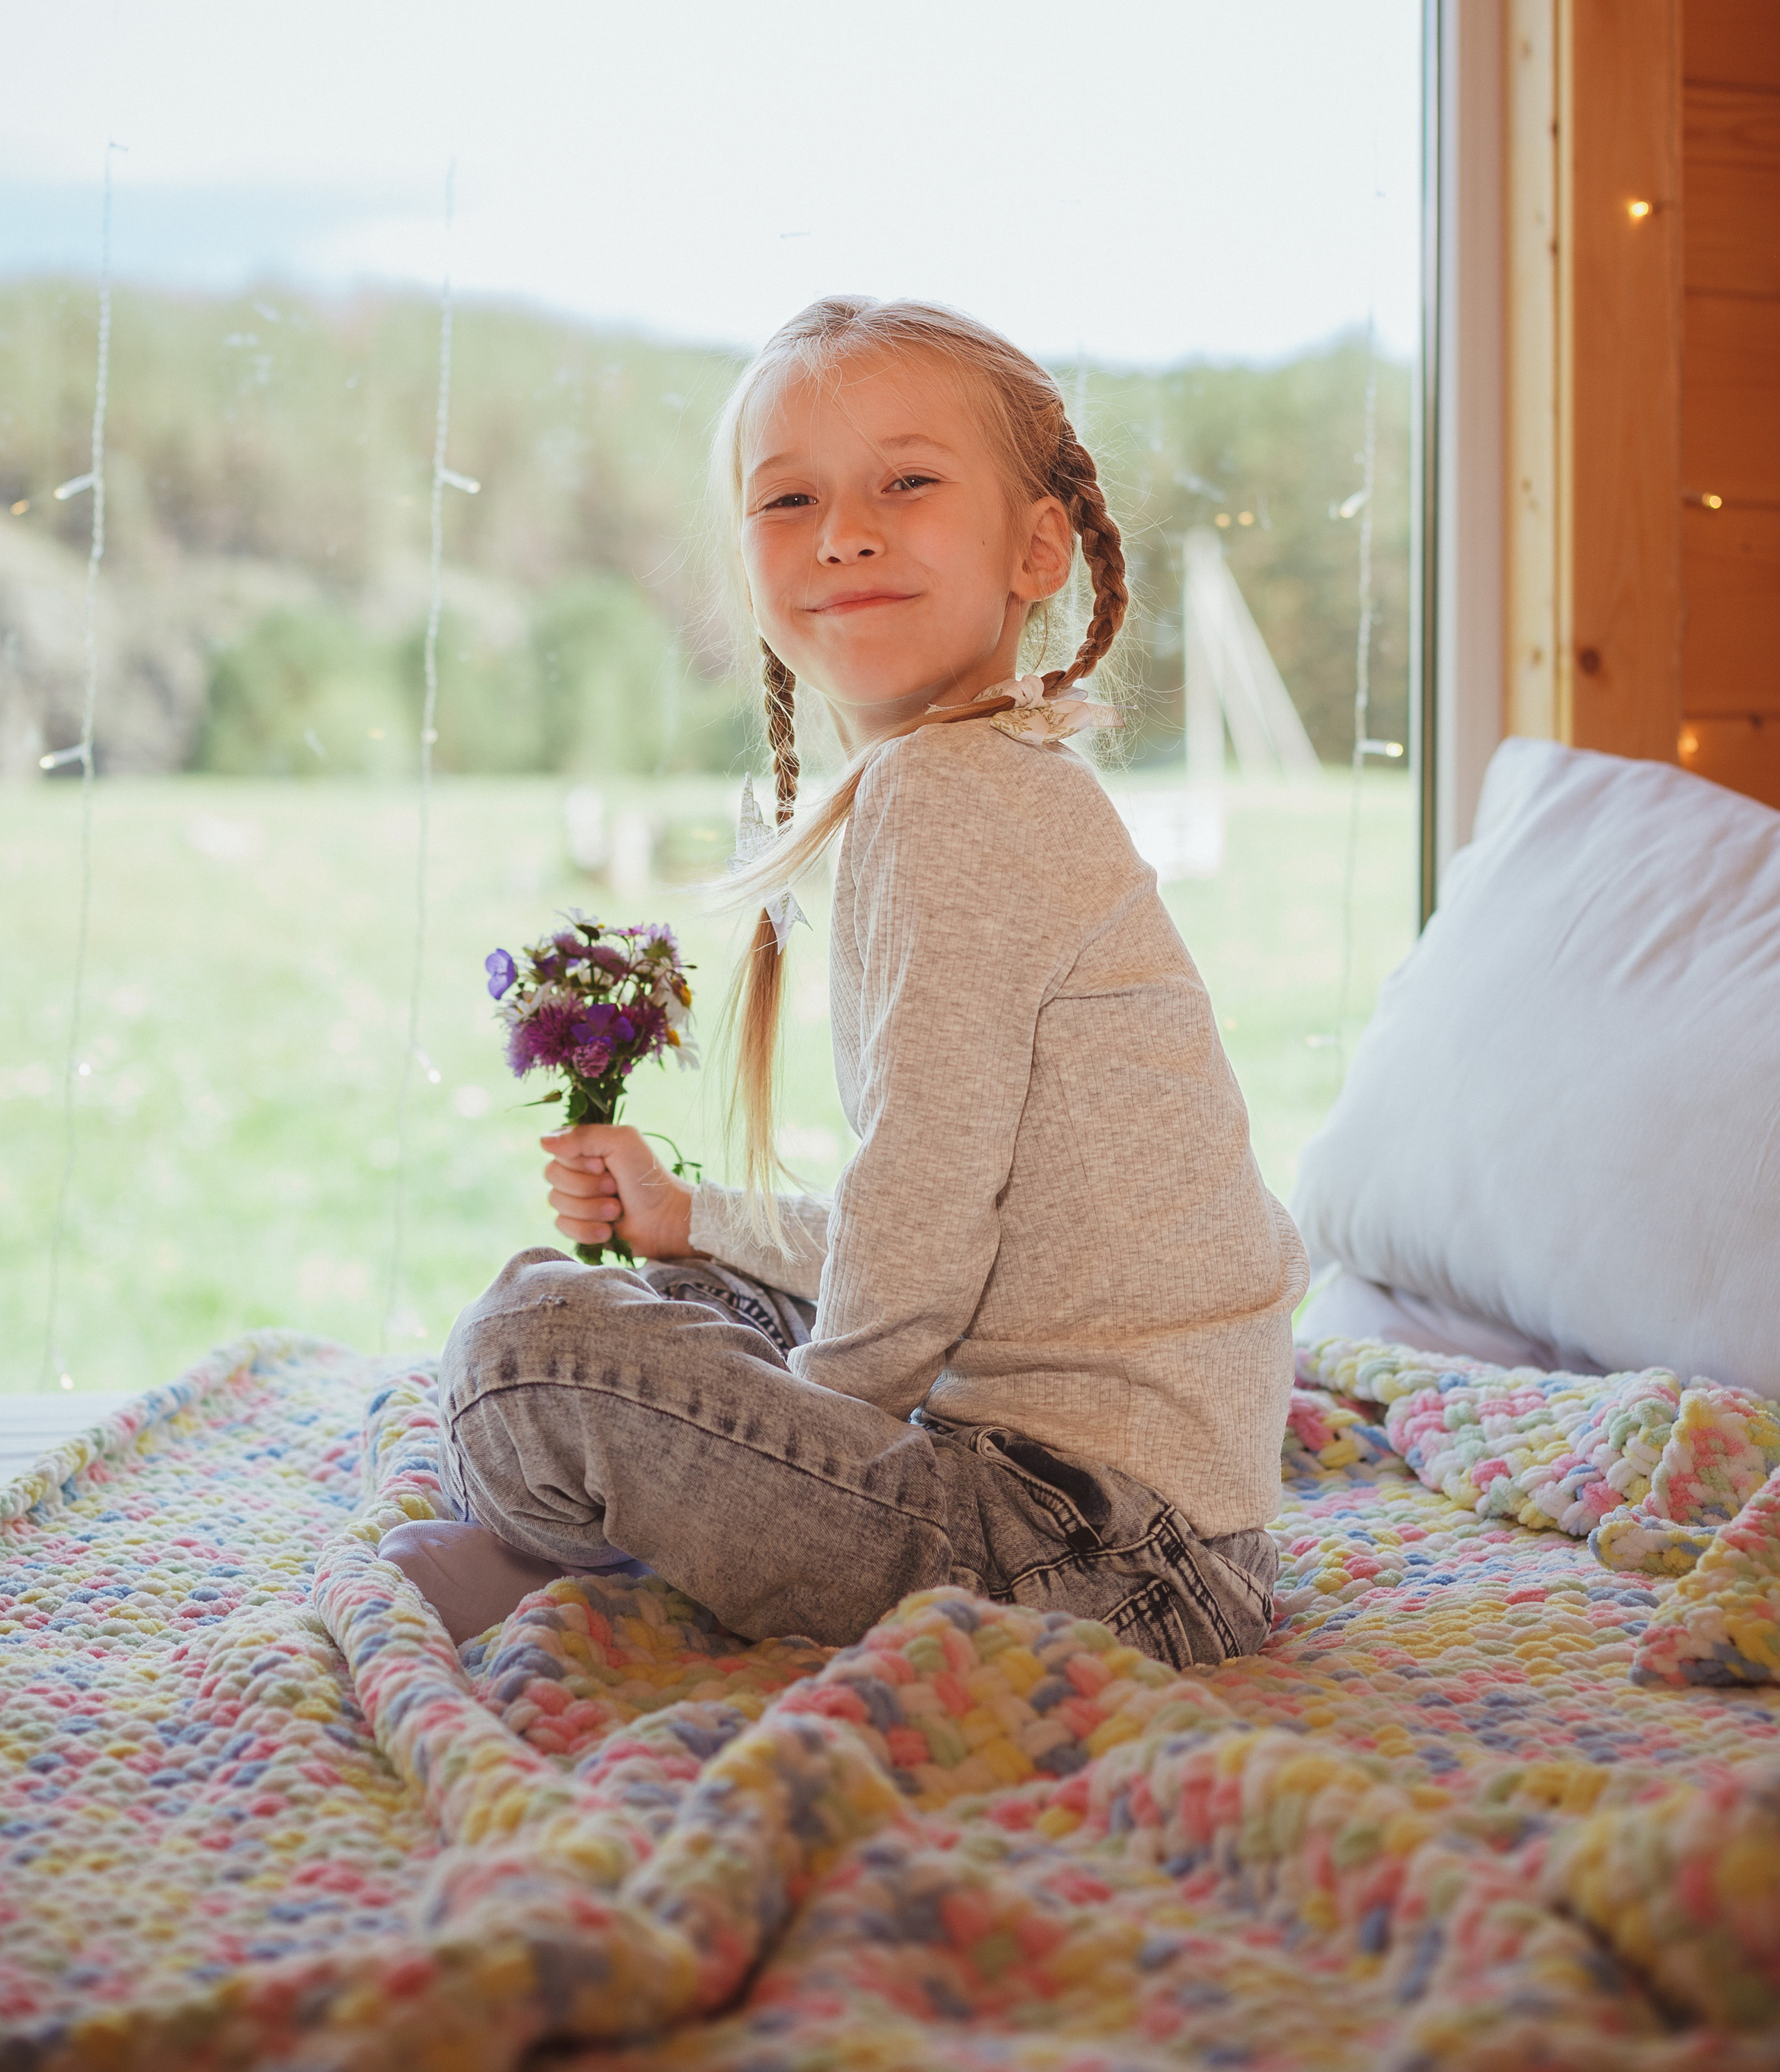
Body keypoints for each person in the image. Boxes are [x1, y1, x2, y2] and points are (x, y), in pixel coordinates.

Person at [384, 298, 1308, 1661]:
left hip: (1093, 1558)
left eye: (908, 483)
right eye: (789, 498)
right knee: (680, 1299)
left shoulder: (952, 802)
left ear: (1035, 547)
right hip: (1135, 1526)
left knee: (530, 1353)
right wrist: (690, 1216)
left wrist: (799, 1445)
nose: (844, 531)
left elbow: (924, 1227)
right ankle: (657, 1517)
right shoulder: (970, 781)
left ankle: (594, 1557)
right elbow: (946, 1226)